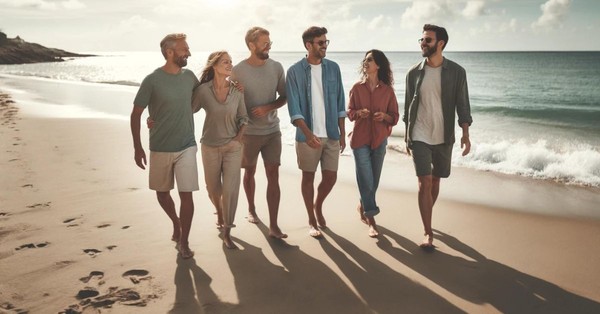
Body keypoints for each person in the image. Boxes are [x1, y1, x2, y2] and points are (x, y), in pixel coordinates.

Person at [130, 33, 198, 259]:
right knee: (162, 194)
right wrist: (137, 148)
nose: (188, 52)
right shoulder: (152, 80)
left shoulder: (190, 77)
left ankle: (185, 242)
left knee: (186, 194)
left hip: (187, 145)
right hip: (159, 145)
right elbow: (136, 113)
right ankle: (176, 223)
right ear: (170, 52)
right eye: (184, 49)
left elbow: (205, 96)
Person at [404, 24, 472, 248]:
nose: (423, 44)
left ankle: (427, 217)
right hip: (419, 134)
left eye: (428, 40)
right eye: (422, 40)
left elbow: (463, 105)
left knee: (435, 180)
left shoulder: (457, 72)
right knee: (423, 182)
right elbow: (407, 109)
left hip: (443, 136)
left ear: (440, 44)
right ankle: (427, 232)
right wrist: (407, 137)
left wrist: (465, 133)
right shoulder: (413, 73)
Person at [286, 26, 346, 238]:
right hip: (307, 136)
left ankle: (317, 206)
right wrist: (308, 133)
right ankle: (311, 219)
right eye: (321, 43)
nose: (325, 46)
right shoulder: (294, 71)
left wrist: (342, 131)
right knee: (308, 177)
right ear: (308, 45)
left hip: (331, 134)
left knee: (330, 177)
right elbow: (294, 108)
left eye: (326, 42)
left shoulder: (334, 68)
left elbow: (340, 101)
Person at [230, 26, 288, 239]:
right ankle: (252, 209)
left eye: (269, 43)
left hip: (273, 131)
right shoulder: (238, 70)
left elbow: (284, 97)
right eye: (265, 43)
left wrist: (268, 108)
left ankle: (274, 225)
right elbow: (231, 100)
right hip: (249, 133)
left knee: (273, 174)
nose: (268, 46)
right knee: (250, 172)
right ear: (252, 45)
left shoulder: (276, 67)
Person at [192, 51, 248, 249]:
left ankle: (227, 231)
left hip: (233, 147)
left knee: (230, 189)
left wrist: (238, 139)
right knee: (212, 187)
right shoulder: (203, 91)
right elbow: (186, 110)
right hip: (209, 146)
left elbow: (244, 117)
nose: (230, 64)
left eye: (231, 62)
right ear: (214, 66)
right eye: (225, 62)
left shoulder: (237, 91)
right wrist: (157, 117)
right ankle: (219, 211)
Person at [347, 49, 399, 238]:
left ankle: (363, 204)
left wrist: (384, 116)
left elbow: (395, 117)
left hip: (379, 140)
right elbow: (350, 112)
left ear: (378, 65)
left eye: (369, 60)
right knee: (366, 179)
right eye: (365, 60)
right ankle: (371, 219)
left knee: (373, 181)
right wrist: (359, 113)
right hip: (359, 139)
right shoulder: (357, 88)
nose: (365, 62)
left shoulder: (387, 91)